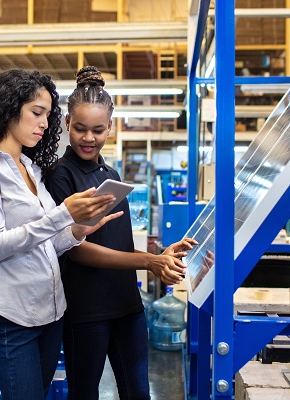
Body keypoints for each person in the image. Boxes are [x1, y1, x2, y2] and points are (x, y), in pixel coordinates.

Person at [0, 69, 122, 400]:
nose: (45, 124)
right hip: (12, 316)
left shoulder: (31, 168)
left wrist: (78, 229)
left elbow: (47, 241)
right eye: (37, 113)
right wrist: (63, 215)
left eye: (48, 115)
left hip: (51, 312)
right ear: (9, 108)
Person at [45, 66, 198, 400]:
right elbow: (76, 248)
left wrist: (161, 252)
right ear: (67, 123)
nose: (89, 138)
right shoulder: (60, 176)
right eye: (81, 128)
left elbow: (115, 238)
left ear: (110, 127)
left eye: (98, 130)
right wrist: (149, 261)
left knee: (137, 393)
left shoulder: (110, 173)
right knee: (85, 394)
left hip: (127, 305)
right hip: (86, 310)